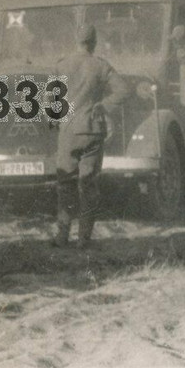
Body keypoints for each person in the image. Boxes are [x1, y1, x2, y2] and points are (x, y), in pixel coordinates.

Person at [51, 22, 129, 248]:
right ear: (94, 42)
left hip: (68, 131)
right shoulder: (100, 66)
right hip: (93, 130)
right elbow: (124, 90)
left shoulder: (62, 65)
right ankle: (84, 238)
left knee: (65, 183)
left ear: (76, 40)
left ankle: (62, 235)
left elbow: (50, 101)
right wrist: (103, 106)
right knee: (89, 184)